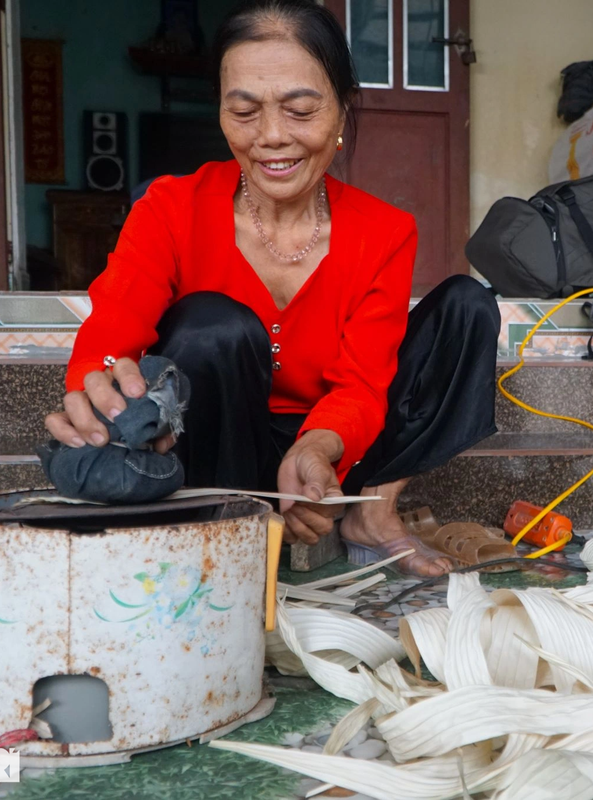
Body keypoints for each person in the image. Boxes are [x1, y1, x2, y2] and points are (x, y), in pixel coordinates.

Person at [44, 0, 500, 577]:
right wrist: (99, 391)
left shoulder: (385, 230)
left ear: (341, 111)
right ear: (220, 113)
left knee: (467, 306)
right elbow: (114, 329)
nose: (272, 137)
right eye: (244, 112)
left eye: (301, 110)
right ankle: (219, 533)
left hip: (327, 456)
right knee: (211, 323)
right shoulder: (170, 207)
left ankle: (370, 513)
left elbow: (362, 383)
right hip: (213, 437)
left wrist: (317, 447)